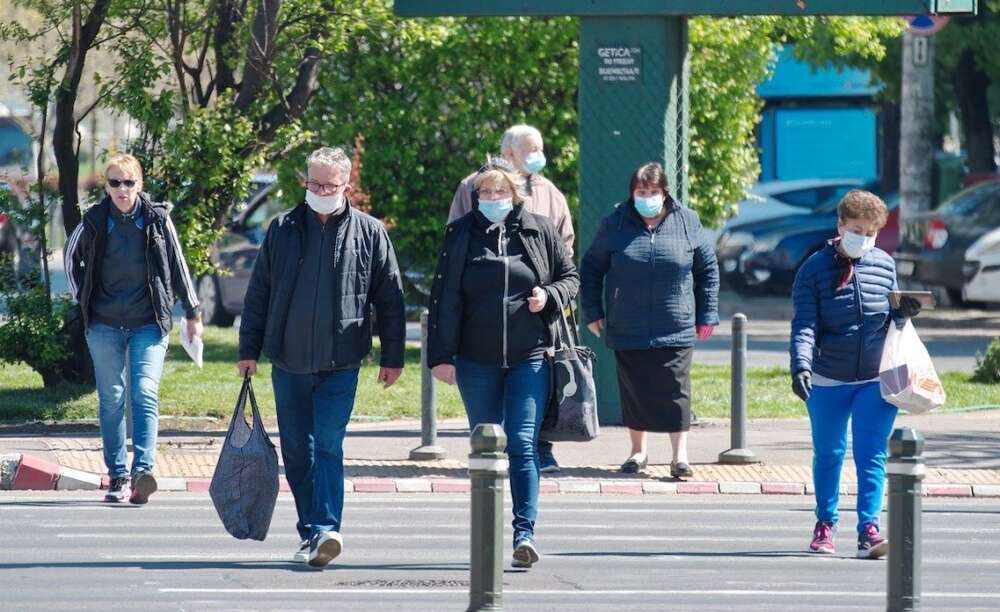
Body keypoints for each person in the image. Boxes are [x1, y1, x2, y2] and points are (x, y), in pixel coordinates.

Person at [237, 146, 406, 568]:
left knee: (328, 445)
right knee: (297, 451)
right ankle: (310, 530)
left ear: (346, 186)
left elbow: (391, 299)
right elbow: (259, 293)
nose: (320, 190)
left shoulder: (370, 232)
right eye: (314, 183)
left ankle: (328, 528)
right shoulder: (282, 228)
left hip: (341, 362)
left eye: (329, 185)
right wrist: (248, 349)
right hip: (288, 361)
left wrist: (394, 356)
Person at [428, 156, 579, 569]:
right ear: (474, 196)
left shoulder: (538, 229)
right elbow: (442, 299)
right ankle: (488, 531)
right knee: (485, 444)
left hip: (530, 358)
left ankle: (524, 533)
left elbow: (571, 278)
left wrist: (549, 296)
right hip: (475, 361)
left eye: (500, 192)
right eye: (485, 192)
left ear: (515, 194)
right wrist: (439, 356)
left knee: (522, 442)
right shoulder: (460, 234)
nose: (493, 198)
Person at [790, 189, 922, 559]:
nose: (863, 237)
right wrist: (800, 364)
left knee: (872, 454)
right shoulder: (814, 269)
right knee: (830, 452)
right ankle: (825, 524)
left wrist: (904, 311)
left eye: (870, 232)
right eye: (856, 229)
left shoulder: (884, 264)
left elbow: (892, 319)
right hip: (828, 377)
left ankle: (869, 528)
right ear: (840, 225)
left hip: (875, 378)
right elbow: (804, 324)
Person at [65, 153, 202, 505]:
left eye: (128, 182)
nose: (122, 189)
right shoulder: (94, 221)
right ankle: (117, 476)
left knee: (144, 392)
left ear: (139, 185)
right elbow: (71, 261)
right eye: (115, 183)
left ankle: (142, 473)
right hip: (104, 324)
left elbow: (177, 263)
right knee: (111, 398)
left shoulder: (157, 219)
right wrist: (85, 300)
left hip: (148, 322)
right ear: (106, 187)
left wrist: (192, 310)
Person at [579, 162, 719, 479]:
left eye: (654, 192)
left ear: (665, 192)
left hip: (676, 323)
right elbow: (591, 269)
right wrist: (593, 311)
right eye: (642, 192)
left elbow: (707, 270)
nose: (648, 198)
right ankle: (637, 452)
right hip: (627, 323)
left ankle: (679, 457)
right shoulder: (614, 224)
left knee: (675, 389)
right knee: (635, 389)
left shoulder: (687, 221)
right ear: (632, 194)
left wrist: (707, 313)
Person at [449, 124, 574, 474]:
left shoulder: (550, 193)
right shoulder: (471, 188)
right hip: (482, 322)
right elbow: (457, 239)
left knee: (537, 389)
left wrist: (550, 291)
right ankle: (495, 454)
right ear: (508, 154)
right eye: (530, 150)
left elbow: (565, 248)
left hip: (537, 314)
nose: (538, 156)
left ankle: (541, 447)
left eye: (540, 148)